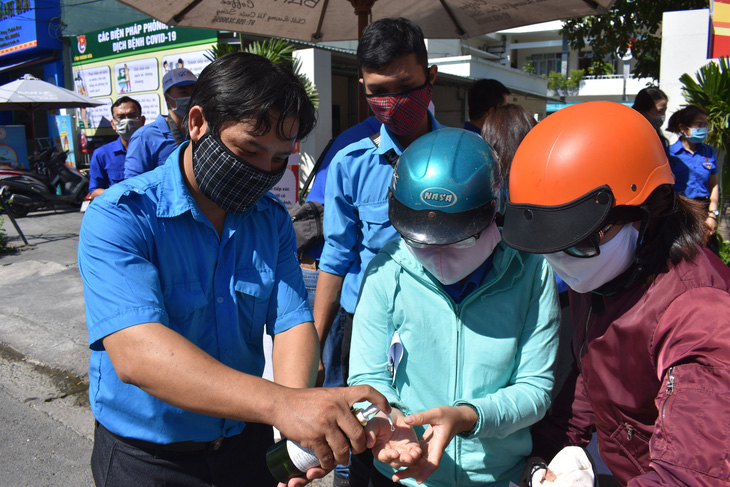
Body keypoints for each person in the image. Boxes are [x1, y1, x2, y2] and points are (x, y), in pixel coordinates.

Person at [78, 52, 390, 487]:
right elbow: (137, 354)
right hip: (149, 461)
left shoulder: (271, 220)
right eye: (249, 149)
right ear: (198, 122)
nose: (264, 170)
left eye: (280, 158)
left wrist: (299, 426)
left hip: (248, 444)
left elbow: (292, 323)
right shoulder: (120, 217)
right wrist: (282, 405)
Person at [501, 101, 730, 486]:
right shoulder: (604, 271)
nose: (560, 259)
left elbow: (692, 476)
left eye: (577, 241)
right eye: (549, 244)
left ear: (648, 209)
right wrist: (546, 451)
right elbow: (591, 370)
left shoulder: (700, 313)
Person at [349, 128, 560, 486]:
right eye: (419, 241)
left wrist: (469, 417)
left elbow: (535, 388)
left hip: (495, 476)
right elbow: (366, 378)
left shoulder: (531, 272)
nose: (438, 254)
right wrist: (382, 419)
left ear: (495, 211)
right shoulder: (386, 272)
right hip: (402, 473)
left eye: (460, 239)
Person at [313, 17, 445, 486]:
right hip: (363, 331)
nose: (392, 103)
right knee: (363, 451)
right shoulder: (350, 163)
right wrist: (317, 344)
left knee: (429, 439)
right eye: (377, 92)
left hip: (437, 328)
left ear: (431, 78)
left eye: (405, 87)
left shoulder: (461, 157)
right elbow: (335, 258)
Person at [124, 67, 197, 179]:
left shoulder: (202, 130)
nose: (190, 97)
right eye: (183, 92)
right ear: (167, 98)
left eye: (194, 92)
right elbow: (133, 185)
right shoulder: (145, 137)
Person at [666, 105, 720, 240]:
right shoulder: (670, 153)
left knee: (709, 255)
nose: (703, 129)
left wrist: (712, 215)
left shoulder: (708, 151)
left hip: (704, 210)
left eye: (705, 125)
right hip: (681, 210)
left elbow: (713, 184)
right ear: (683, 128)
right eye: (699, 125)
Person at [87, 96, 145, 199]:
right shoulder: (102, 154)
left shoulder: (153, 150)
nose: (127, 121)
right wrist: (119, 194)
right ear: (113, 124)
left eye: (132, 115)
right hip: (118, 211)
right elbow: (94, 191)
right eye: (121, 117)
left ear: (142, 120)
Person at [632, 86, 669, 150]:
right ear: (642, 113)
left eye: (664, 110)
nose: (663, 115)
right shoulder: (632, 139)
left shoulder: (659, 138)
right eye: (659, 111)